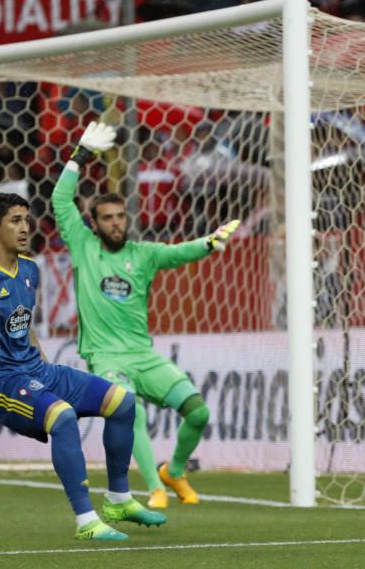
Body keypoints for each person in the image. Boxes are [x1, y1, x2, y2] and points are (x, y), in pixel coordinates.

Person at [0, 192, 166, 541]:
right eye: (15, 221)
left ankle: (119, 499)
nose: (25, 227)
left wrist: (44, 370)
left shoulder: (29, 269)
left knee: (122, 402)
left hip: (36, 372)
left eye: (27, 220)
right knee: (62, 418)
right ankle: (86, 521)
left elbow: (23, 324)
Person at [53, 122, 240, 509]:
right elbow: (59, 199)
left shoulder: (143, 254)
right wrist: (80, 156)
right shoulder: (83, 245)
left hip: (144, 354)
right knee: (129, 408)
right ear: (94, 222)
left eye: (120, 216)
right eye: (107, 218)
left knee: (198, 412)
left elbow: (179, 252)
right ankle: (155, 487)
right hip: (104, 358)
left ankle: (175, 470)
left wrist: (209, 243)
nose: (116, 223)